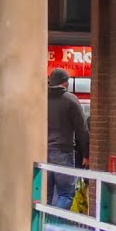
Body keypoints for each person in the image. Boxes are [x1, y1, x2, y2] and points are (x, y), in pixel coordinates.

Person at [46, 68, 89, 209]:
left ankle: (43, 226)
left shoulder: (41, 98)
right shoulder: (70, 100)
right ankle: (54, 226)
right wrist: (86, 154)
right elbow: (82, 130)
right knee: (65, 194)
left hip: (42, 152)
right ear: (65, 83)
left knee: (45, 195)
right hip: (63, 153)